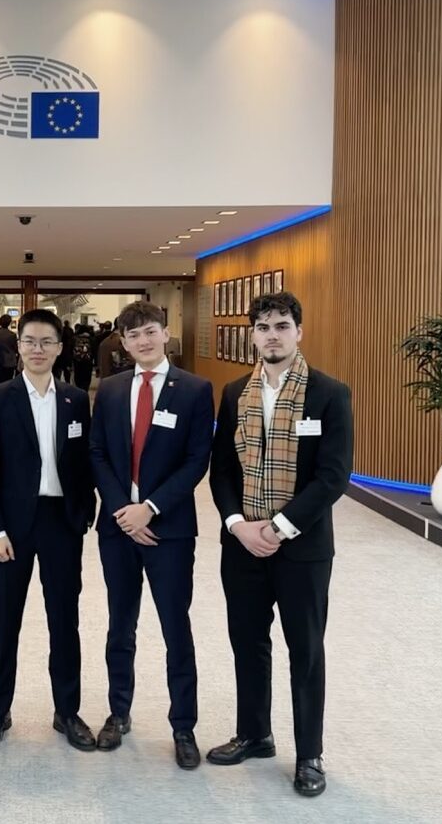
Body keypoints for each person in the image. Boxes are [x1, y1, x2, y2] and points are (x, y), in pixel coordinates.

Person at [205, 291, 353, 798]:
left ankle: (309, 753)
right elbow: (221, 469)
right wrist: (237, 523)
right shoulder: (233, 394)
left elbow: (333, 477)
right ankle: (254, 733)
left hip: (303, 548)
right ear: (252, 334)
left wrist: (281, 526)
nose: (272, 334)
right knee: (248, 642)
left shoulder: (329, 394)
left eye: (282, 325)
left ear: (299, 332)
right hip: (242, 544)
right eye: (263, 326)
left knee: (305, 650)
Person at [88, 300, 214, 770]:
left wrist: (151, 509)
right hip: (118, 528)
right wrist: (124, 511)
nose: (142, 341)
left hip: (170, 530)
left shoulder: (196, 390)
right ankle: (118, 713)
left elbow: (196, 461)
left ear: (166, 334)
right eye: (132, 335)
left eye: (149, 331)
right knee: (120, 626)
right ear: (122, 342)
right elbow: (97, 453)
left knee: (174, 628)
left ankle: (183, 725)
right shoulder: (114, 389)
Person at [0, 309, 97, 752]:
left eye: (47, 341)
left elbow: (84, 462)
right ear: (17, 347)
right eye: (29, 341)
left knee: (65, 620)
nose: (38, 349)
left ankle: (67, 711)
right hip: (12, 527)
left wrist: (85, 511)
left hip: (62, 523)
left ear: (61, 348)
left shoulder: (76, 399)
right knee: (4, 621)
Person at [0, 314, 19, 383]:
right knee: (8, 382)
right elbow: (15, 348)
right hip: (9, 362)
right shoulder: (12, 335)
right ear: (9, 323)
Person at [72, 326, 95, 392]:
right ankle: (85, 391)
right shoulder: (91, 339)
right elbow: (94, 350)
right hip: (88, 362)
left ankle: (79, 391)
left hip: (77, 362)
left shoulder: (75, 338)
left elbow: (70, 350)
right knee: (86, 380)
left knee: (78, 379)